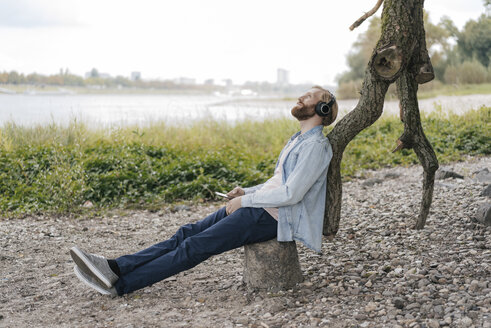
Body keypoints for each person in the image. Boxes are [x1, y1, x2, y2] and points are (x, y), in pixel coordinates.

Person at [70, 86, 338, 297]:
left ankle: (120, 286)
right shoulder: (298, 140)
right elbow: (278, 182)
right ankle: (115, 267)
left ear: (323, 108)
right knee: (186, 233)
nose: (302, 97)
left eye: (310, 96)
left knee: (195, 246)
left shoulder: (315, 147)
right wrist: (245, 191)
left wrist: (246, 201)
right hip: (261, 207)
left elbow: (291, 194)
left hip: (274, 217)